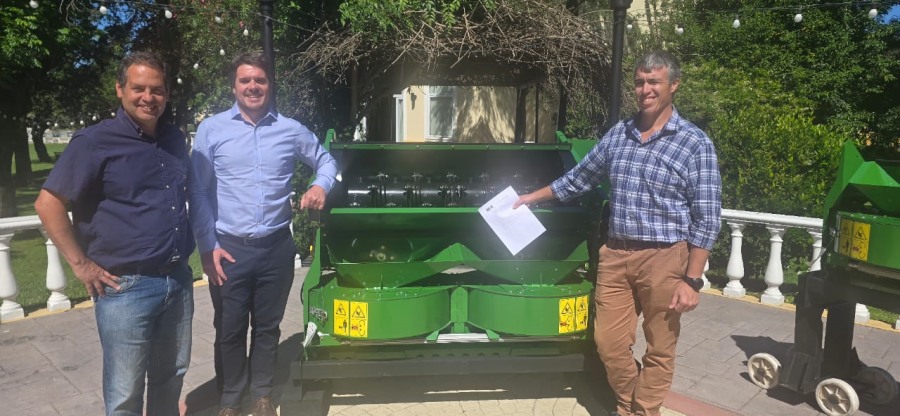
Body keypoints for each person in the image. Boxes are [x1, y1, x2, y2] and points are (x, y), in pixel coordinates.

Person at [514, 50, 721, 416]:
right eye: (640, 82)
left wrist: (692, 281)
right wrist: (533, 197)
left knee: (660, 348)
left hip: (666, 258)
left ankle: (640, 411)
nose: (646, 89)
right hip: (616, 255)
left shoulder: (695, 143)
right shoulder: (618, 135)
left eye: (654, 81)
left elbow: (707, 218)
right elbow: (578, 179)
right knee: (608, 343)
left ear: (674, 85)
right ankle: (629, 402)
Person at [34, 51, 194, 416]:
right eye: (139, 88)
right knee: (125, 394)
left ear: (167, 93)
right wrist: (81, 265)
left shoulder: (174, 139)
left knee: (171, 378)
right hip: (126, 288)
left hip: (177, 279)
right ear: (120, 89)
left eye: (157, 89)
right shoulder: (95, 141)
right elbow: (48, 203)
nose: (148, 97)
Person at [189, 51, 338, 416]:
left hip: (276, 249)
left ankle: (262, 396)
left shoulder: (290, 130)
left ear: (270, 85)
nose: (252, 86)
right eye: (245, 80)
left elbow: (326, 160)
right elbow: (198, 190)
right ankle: (230, 400)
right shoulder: (212, 129)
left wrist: (320, 185)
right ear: (234, 86)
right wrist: (207, 245)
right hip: (229, 250)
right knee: (229, 329)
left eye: (260, 80)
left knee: (268, 328)